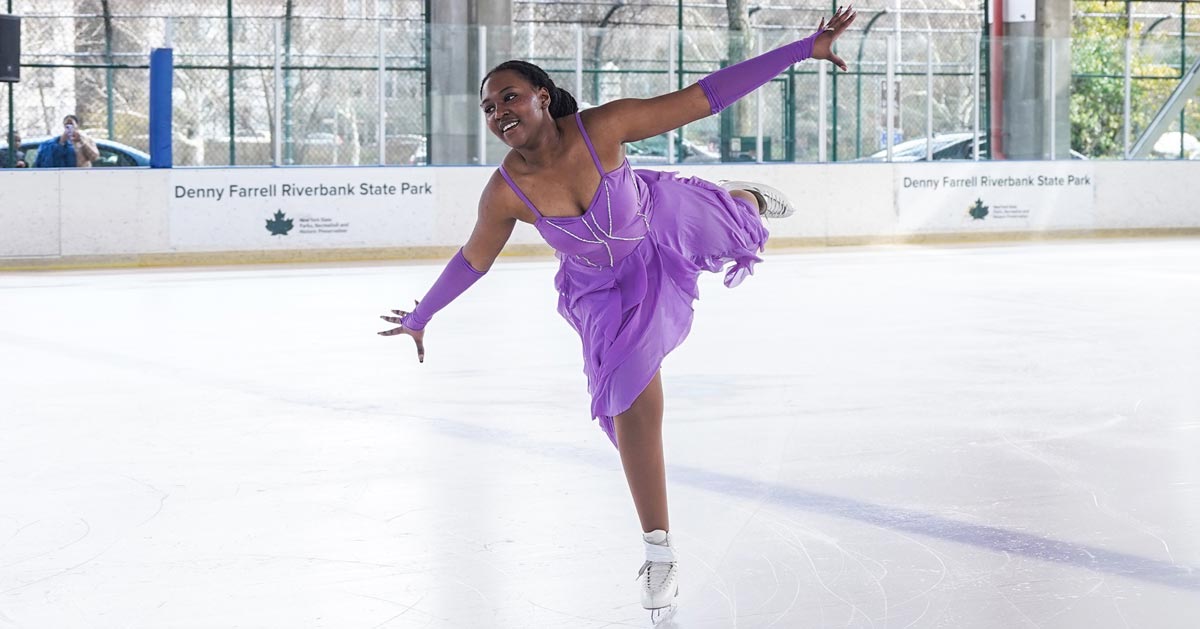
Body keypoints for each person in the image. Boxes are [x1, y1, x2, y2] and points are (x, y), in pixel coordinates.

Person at [378, 6, 856, 624]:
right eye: (489, 108)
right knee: (632, 404)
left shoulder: (604, 127)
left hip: (659, 223)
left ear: (543, 96)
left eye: (509, 97)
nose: (498, 112)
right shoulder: (504, 192)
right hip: (603, 292)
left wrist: (801, 50)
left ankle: (744, 198)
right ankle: (659, 552)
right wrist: (423, 314)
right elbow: (474, 259)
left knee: (729, 224)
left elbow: (706, 97)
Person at [34, 114, 100, 168]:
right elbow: (55, 158)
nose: (69, 127)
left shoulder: (86, 139)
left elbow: (94, 157)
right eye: (67, 125)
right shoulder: (59, 141)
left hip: (83, 172)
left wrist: (82, 142)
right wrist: (62, 142)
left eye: (71, 124)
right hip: (65, 173)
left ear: (77, 125)